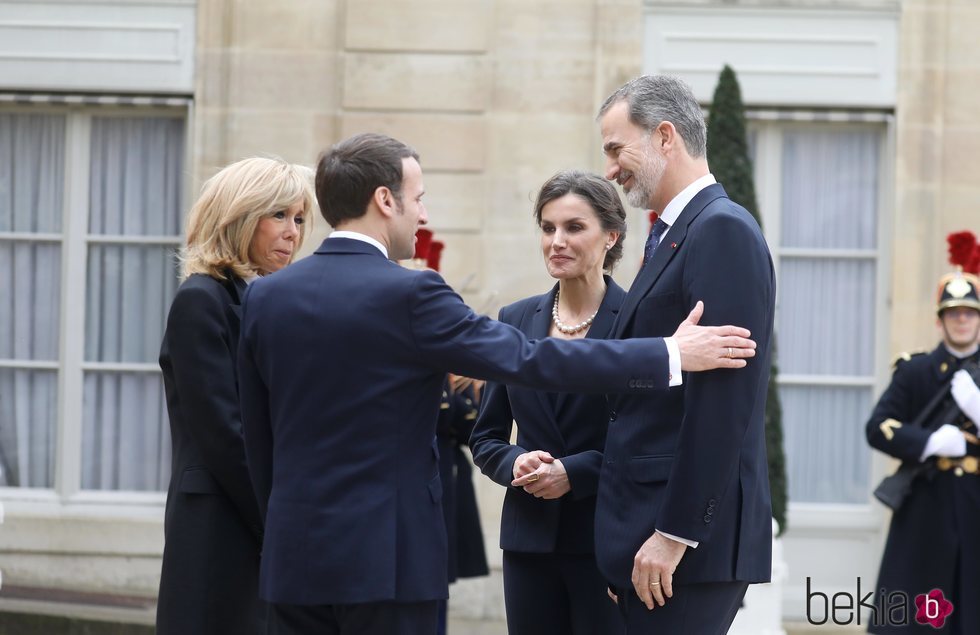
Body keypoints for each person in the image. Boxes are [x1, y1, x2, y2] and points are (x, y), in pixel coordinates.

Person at [237, 132, 757, 635]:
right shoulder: (413, 293)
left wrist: (278, 529)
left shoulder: (266, 297)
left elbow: (257, 440)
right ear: (384, 201)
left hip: (293, 557)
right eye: (418, 199)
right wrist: (671, 352)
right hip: (390, 560)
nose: (424, 214)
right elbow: (527, 357)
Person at [593, 75, 776, 634]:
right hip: (650, 534)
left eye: (616, 148)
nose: (610, 169)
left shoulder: (721, 230)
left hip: (683, 548)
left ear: (664, 136)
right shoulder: (679, 232)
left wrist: (674, 535)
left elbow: (724, 401)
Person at [156, 157, 315, 635]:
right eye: (279, 216)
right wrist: (281, 520)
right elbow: (225, 433)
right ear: (238, 217)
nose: (293, 233)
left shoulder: (269, 302)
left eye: (300, 218)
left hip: (261, 520)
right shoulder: (202, 299)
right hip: (218, 523)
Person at [470, 170, 629, 635]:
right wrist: (516, 462)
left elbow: (649, 445)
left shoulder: (639, 321)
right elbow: (486, 437)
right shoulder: (515, 319)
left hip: (607, 542)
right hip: (529, 541)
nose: (556, 241)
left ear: (610, 237)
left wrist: (573, 474)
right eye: (547, 227)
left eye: (574, 227)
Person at [865, 264, 980, 635]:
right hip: (927, 508)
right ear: (940, 320)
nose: (961, 320)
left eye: (969, 312)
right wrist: (929, 442)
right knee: (919, 617)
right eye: (953, 313)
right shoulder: (916, 370)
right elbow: (878, 427)